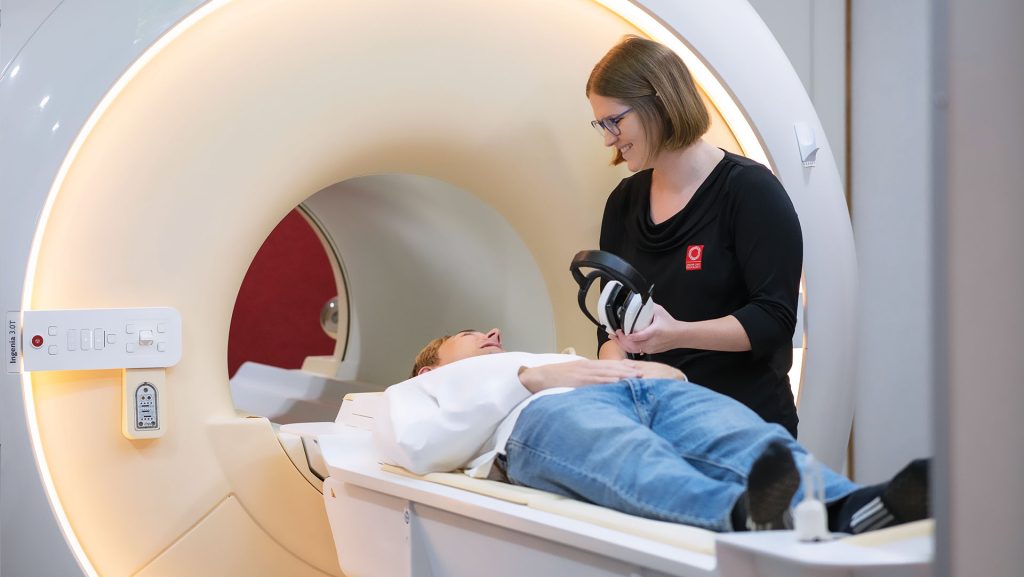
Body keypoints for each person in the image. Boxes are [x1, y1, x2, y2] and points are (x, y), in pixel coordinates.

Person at [375, 329, 929, 534]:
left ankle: (850, 504)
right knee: (634, 461)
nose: (492, 331)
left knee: (753, 441)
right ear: (430, 368)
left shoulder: (542, 352)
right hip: (539, 418)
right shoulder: (416, 393)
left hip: (646, 390)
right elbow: (418, 446)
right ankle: (744, 515)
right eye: (471, 334)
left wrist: (661, 372)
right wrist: (535, 377)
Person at [587, 36, 803, 436]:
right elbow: (610, 321)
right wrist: (616, 366)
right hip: (655, 425)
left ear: (659, 102)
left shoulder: (750, 192)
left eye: (614, 121)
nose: (608, 138)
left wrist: (677, 335)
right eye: (601, 124)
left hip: (743, 425)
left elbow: (773, 319)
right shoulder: (623, 202)